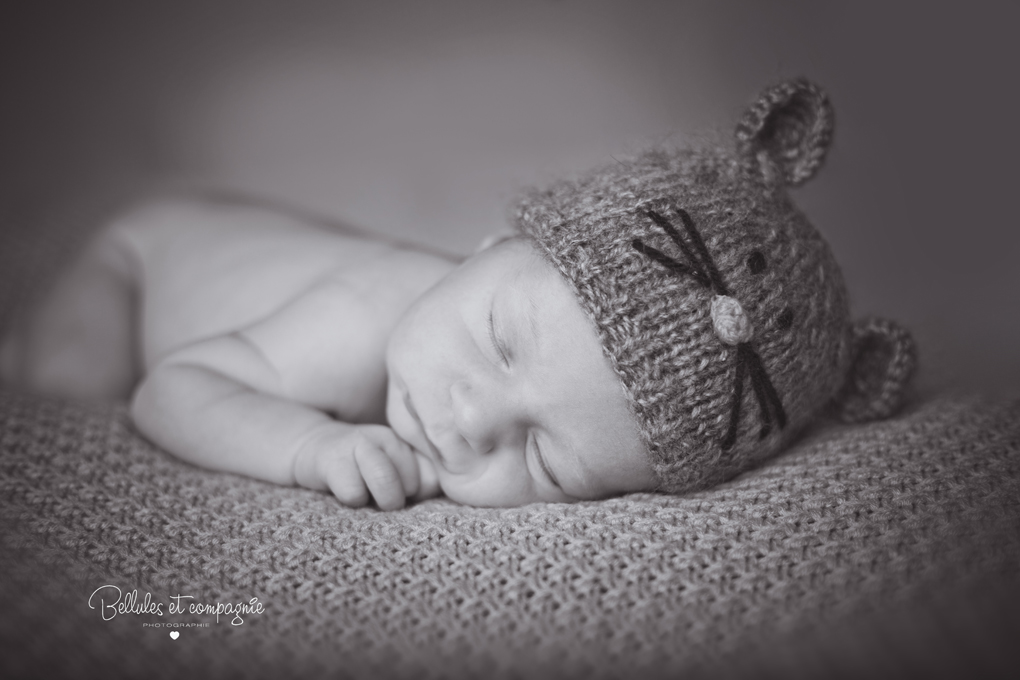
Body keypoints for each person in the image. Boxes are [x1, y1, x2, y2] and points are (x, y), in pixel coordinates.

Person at [0, 79, 917, 510]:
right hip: (147, 253)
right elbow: (172, 390)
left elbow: (510, 361)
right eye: (499, 341)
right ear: (489, 247)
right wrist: (309, 445)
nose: (472, 421)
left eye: (546, 462)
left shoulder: (491, 308)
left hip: (231, 227)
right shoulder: (363, 316)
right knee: (69, 371)